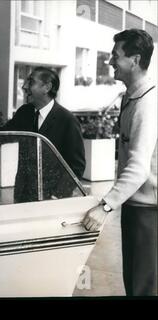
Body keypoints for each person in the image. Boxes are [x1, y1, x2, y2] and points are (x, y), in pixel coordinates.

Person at [83, 29, 157, 296]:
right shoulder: (132, 96)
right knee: (134, 283)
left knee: (144, 287)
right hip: (136, 206)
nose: (110, 61)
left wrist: (105, 206)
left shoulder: (147, 103)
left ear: (134, 60)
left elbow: (138, 167)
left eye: (116, 56)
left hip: (149, 212)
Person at [0, 67, 85, 202]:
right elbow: (8, 132)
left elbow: (76, 166)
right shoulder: (25, 112)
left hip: (51, 198)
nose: (24, 87)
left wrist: (59, 194)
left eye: (31, 82)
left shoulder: (67, 120)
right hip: (23, 194)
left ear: (47, 87)